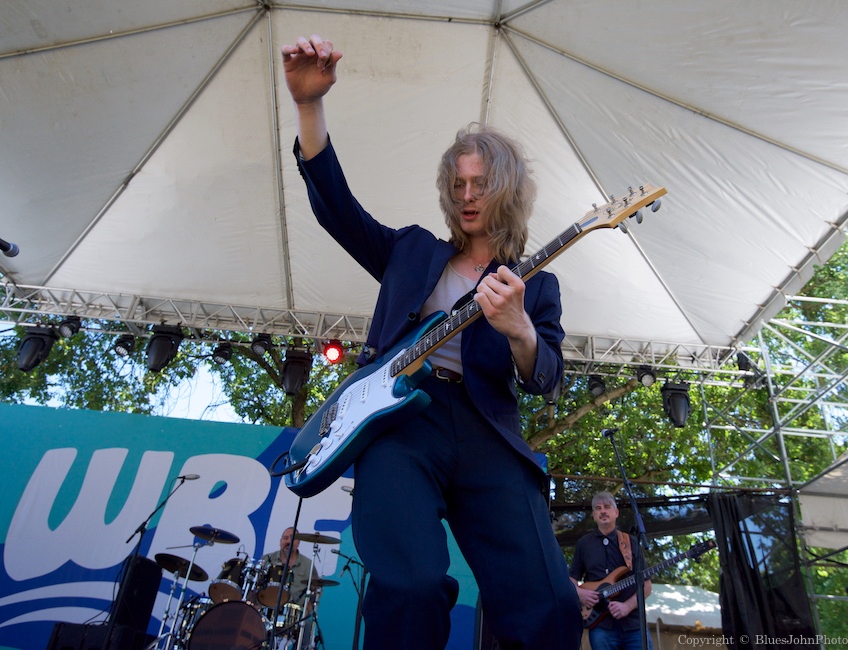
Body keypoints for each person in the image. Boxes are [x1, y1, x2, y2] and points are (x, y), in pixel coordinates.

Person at [281, 34, 582, 650]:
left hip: (486, 429)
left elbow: (545, 375)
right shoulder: (411, 249)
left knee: (549, 604)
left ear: (508, 191)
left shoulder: (536, 284)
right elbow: (335, 207)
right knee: (411, 587)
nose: (467, 196)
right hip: (399, 428)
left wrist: (520, 329)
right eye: (458, 184)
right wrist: (310, 107)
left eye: (481, 184)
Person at [570, 491, 652, 650]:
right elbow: (571, 580)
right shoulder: (584, 544)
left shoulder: (631, 542)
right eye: (598, 508)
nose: (603, 511)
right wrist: (580, 594)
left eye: (607, 507)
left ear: (616, 513)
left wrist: (627, 606)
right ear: (594, 515)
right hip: (600, 626)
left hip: (634, 625)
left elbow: (646, 586)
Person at [260, 527, 319, 613]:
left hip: (294, 614)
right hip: (267, 609)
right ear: (280, 541)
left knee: (307, 625)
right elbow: (256, 583)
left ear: (298, 543)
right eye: (285, 538)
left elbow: (316, 589)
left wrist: (308, 609)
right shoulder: (267, 559)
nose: (288, 542)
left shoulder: (308, 564)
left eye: (293, 539)